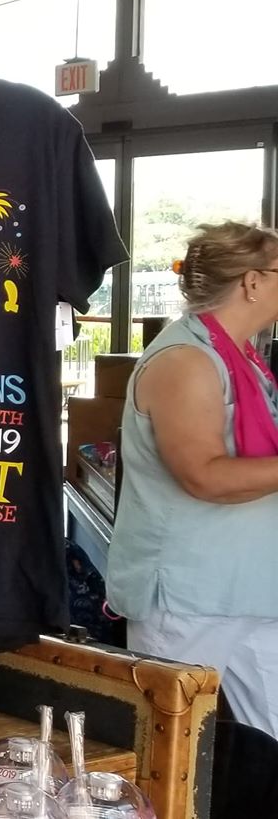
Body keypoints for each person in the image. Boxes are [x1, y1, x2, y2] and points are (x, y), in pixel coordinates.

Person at [107, 221, 278, 739]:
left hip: (251, 588)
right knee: (169, 753)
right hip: (188, 599)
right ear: (252, 282)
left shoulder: (241, 355)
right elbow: (204, 476)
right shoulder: (186, 361)